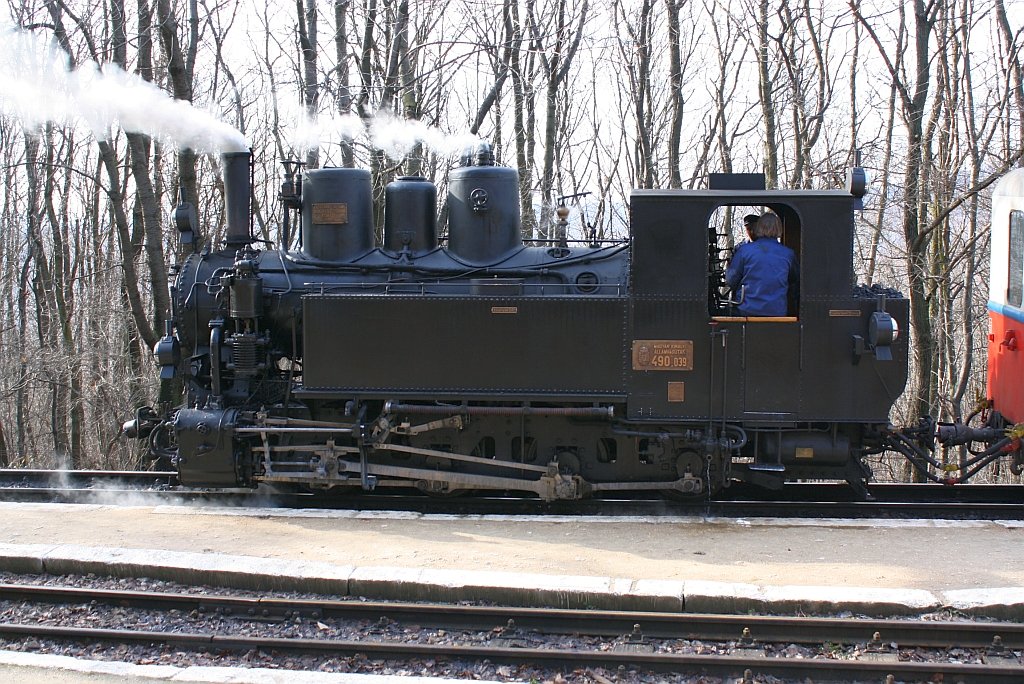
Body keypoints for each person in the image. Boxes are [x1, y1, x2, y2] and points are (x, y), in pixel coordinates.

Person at [726, 212, 798, 317]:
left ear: (758, 228)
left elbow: (731, 280)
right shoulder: (788, 254)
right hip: (777, 312)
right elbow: (794, 280)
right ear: (779, 229)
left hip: (746, 310)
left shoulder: (744, 251)